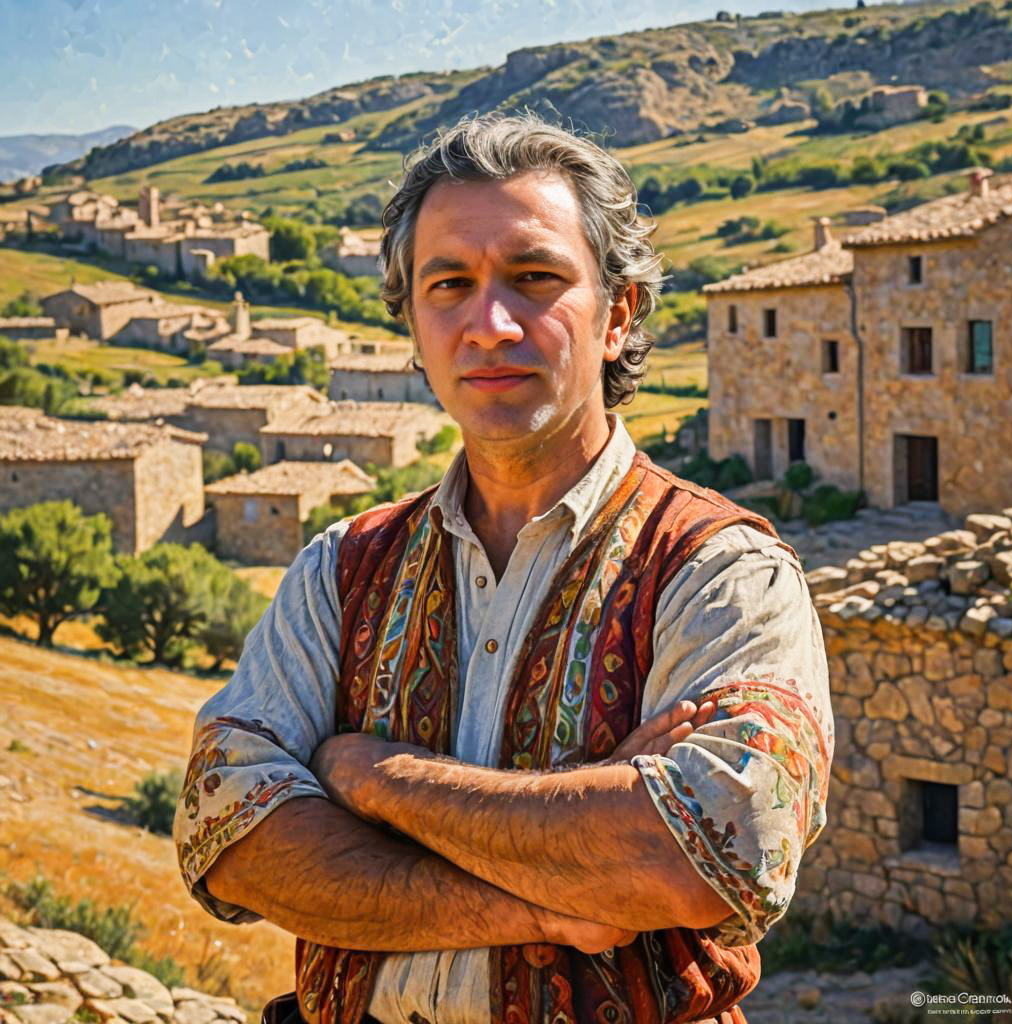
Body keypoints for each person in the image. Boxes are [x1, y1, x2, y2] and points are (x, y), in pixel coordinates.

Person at [173, 112, 833, 1024]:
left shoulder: (720, 573)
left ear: (619, 313)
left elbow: (719, 851)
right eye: (449, 284)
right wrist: (547, 899)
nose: (489, 324)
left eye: (535, 279)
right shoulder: (341, 570)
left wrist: (373, 779)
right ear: (411, 324)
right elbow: (225, 831)